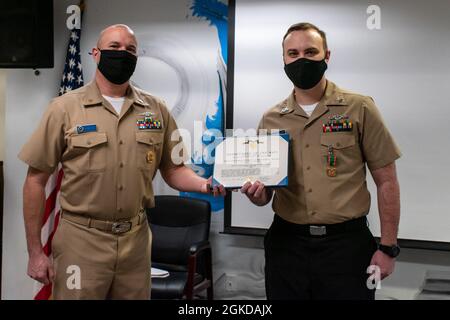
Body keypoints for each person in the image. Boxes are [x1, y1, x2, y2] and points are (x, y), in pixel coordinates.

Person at [19, 24, 224, 300]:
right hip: (82, 241)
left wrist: (206, 185)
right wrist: (35, 252)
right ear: (96, 53)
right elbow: (35, 180)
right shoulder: (64, 108)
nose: (122, 54)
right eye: (114, 47)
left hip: (135, 243)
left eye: (130, 49)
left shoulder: (156, 109)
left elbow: (174, 169)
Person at [241, 22, 401, 300]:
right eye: (293, 53)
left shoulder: (360, 107)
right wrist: (256, 194)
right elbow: (264, 194)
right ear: (283, 59)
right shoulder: (271, 118)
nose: (301, 59)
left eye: (310, 51)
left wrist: (388, 248)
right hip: (286, 243)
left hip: (346, 247)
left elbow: (386, 181)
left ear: (327, 56)